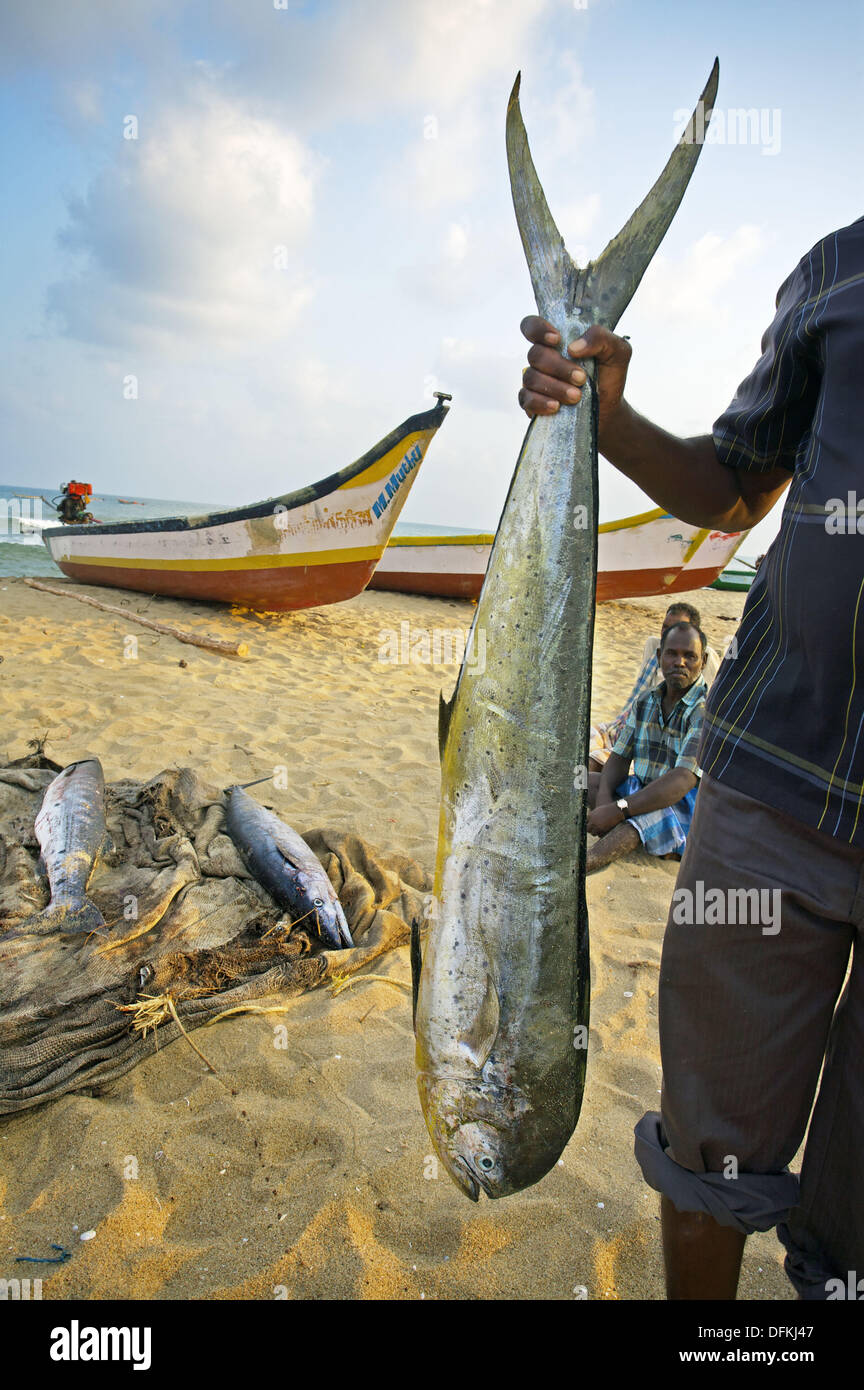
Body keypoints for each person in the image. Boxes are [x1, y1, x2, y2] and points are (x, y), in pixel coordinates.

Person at [518, 215, 864, 1300]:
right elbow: (733, 487)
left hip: (749, 784)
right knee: (710, 1151)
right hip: (776, 772)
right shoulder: (840, 272)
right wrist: (604, 414)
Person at [586, 620, 708, 873]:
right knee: (578, 781)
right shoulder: (646, 701)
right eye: (672, 654)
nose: (680, 662)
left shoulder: (705, 711)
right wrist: (604, 800)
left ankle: (579, 867)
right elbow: (619, 757)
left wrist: (619, 810)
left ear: (703, 662)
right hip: (641, 790)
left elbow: (683, 780)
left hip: (682, 806)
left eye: (690, 656)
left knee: (637, 825)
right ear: (659, 656)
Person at [590, 602, 720, 772]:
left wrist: (619, 800)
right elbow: (641, 698)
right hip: (634, 725)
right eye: (664, 627)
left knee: (596, 766)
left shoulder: (698, 707)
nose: (668, 634)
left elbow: (684, 775)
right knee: (585, 754)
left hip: (666, 744)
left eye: (677, 628)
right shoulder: (655, 655)